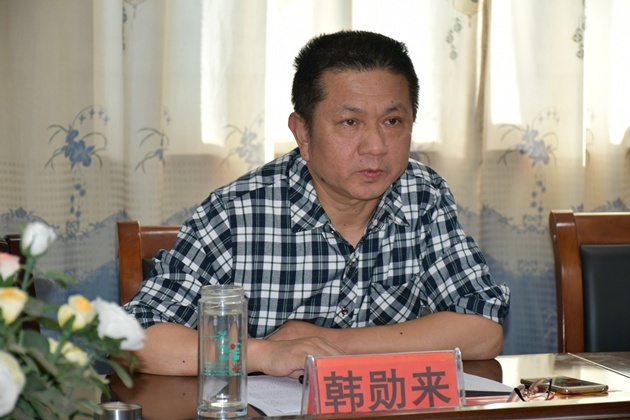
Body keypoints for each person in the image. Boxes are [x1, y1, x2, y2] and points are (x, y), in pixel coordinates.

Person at [124, 30, 510, 378]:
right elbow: (137, 339)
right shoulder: (235, 214)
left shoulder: (422, 195)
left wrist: (331, 344)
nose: (376, 146)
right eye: (350, 123)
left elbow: (483, 328)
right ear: (303, 134)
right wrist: (264, 354)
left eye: (392, 121)